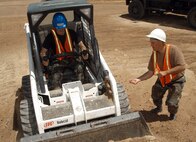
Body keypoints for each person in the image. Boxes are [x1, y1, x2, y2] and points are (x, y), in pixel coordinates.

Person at [129, 28, 186, 120]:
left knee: (172, 103)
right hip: (163, 79)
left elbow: (182, 66)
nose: (151, 45)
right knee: (155, 94)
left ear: (161, 42)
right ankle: (158, 107)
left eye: (153, 43)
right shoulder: (154, 54)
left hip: (176, 80)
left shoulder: (173, 50)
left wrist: (166, 72)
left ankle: (172, 113)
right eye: (151, 42)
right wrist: (139, 79)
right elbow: (151, 71)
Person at [40, 12, 88, 89]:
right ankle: (57, 92)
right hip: (57, 62)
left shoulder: (72, 33)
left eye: (63, 27)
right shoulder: (50, 37)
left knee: (80, 68)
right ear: (55, 27)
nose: (61, 30)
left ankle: (80, 88)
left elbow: (82, 45)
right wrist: (44, 58)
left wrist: (84, 51)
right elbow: (43, 52)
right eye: (59, 28)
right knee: (55, 76)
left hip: (71, 59)